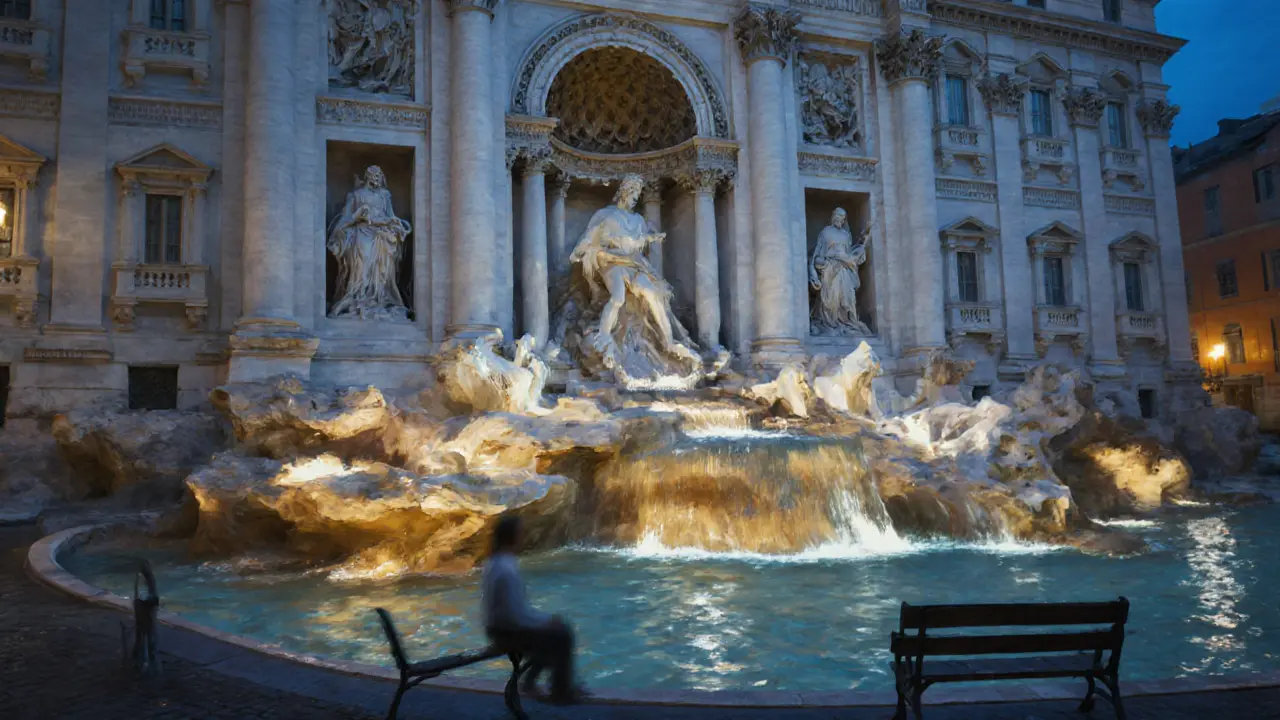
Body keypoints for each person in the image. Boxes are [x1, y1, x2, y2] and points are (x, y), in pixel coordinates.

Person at [482, 515, 585, 704]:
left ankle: (537, 682)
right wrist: (546, 621)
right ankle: (560, 691)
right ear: (513, 536)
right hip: (507, 632)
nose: (523, 536)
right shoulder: (506, 568)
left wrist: (544, 621)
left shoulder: (494, 562)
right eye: (520, 533)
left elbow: (514, 611)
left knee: (553, 632)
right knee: (563, 634)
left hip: (496, 628)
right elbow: (516, 615)